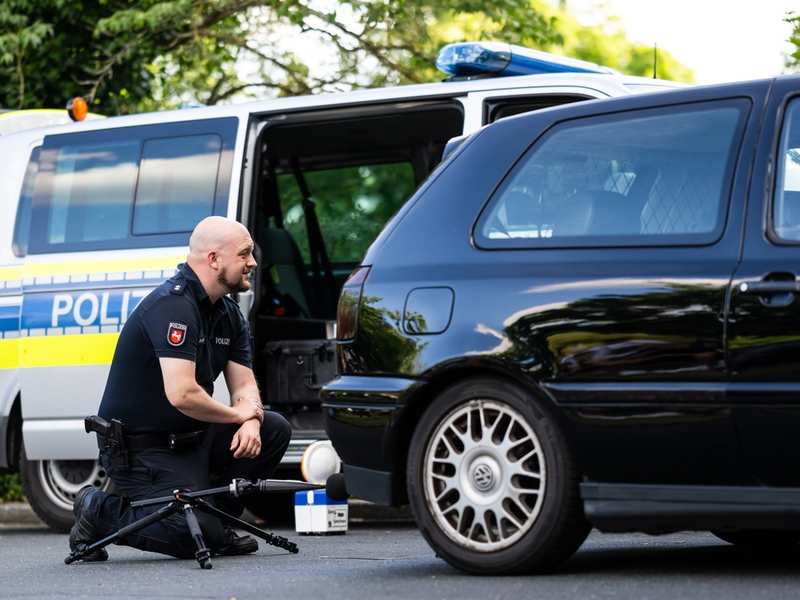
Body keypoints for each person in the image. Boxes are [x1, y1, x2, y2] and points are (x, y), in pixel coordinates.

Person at [69, 216, 291, 561]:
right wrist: (237, 414)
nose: (253, 263)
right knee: (191, 537)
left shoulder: (228, 313)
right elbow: (183, 394)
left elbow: (244, 384)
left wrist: (250, 420)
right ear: (214, 259)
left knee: (273, 428)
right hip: (140, 449)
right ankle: (96, 508)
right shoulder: (173, 306)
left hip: (189, 438)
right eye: (245, 254)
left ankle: (219, 523)